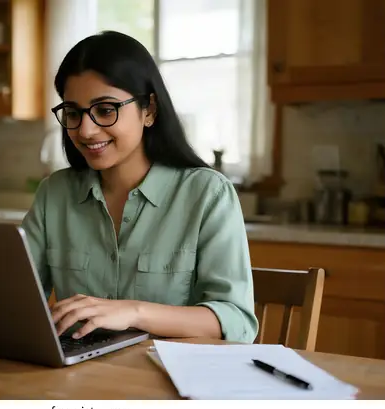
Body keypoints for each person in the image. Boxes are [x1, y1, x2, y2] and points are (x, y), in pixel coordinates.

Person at [21, 31, 258, 344]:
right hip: (77, 381)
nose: (86, 130)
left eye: (105, 110)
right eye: (74, 113)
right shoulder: (55, 193)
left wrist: (133, 312)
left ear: (149, 110)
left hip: (170, 381)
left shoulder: (207, 194)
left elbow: (237, 320)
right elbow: (17, 300)